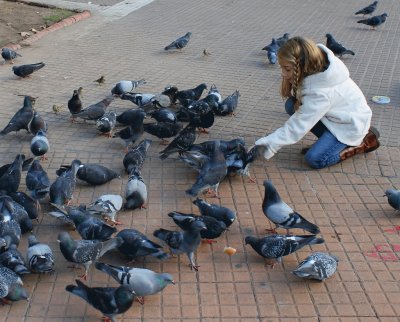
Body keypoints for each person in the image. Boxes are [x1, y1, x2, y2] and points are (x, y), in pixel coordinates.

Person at [255, 36, 380, 169]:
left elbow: (297, 126)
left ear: (302, 66)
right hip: (337, 118)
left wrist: (270, 143)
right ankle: (331, 142)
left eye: (287, 69)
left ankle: (362, 143)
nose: (283, 74)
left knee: (315, 159)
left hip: (348, 126)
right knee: (291, 106)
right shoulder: (316, 66)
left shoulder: (321, 93)